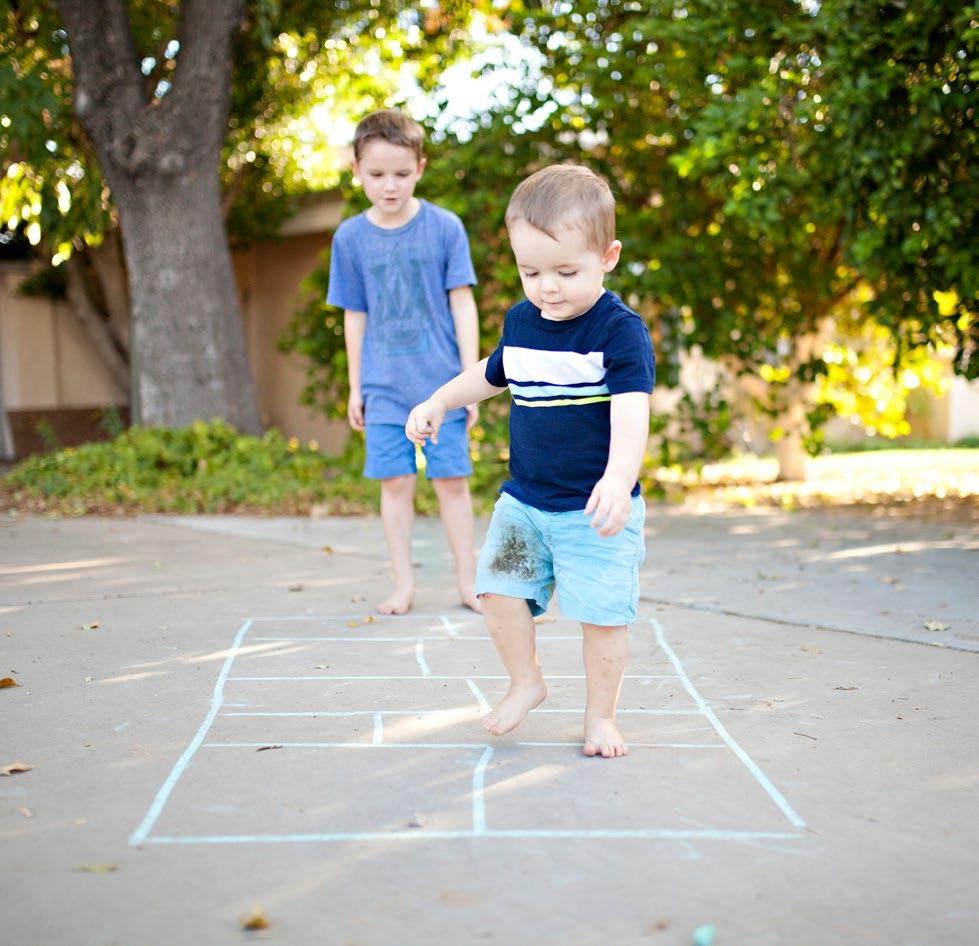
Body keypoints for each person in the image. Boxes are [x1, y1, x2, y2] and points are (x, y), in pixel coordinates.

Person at [406, 164, 655, 759]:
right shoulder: (522, 323)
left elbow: (631, 413)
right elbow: (491, 374)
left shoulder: (620, 333)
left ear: (608, 256)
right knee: (495, 590)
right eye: (531, 271)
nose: (547, 287)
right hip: (526, 502)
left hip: (593, 509)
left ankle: (601, 718)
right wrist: (439, 399)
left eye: (566, 271)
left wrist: (619, 480)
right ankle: (527, 681)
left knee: (602, 618)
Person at [327, 109, 481, 615]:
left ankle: (468, 584)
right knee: (395, 484)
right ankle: (403, 585)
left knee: (452, 483)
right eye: (376, 174)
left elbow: (463, 303)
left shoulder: (445, 228)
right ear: (356, 171)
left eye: (400, 173)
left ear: (420, 166)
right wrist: (356, 388)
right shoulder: (349, 238)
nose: (389, 185)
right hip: (384, 387)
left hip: (441, 386)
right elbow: (355, 315)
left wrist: (468, 382)